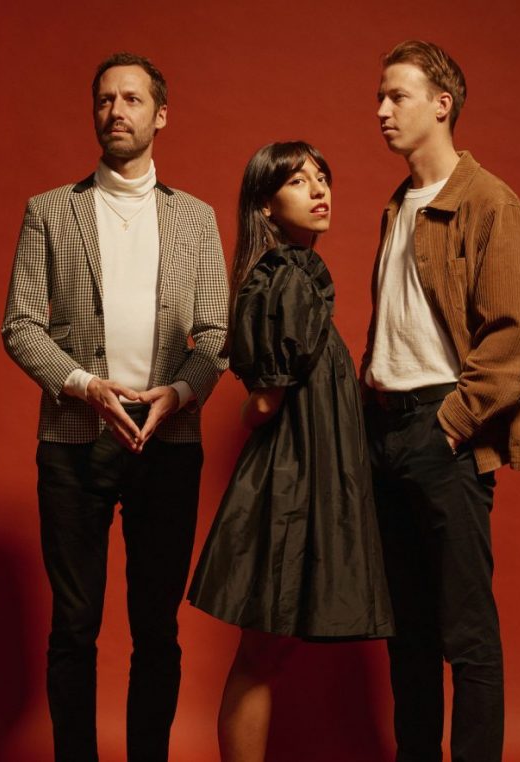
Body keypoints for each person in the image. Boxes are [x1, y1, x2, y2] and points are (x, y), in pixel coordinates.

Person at [1, 52, 227, 762]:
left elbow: (218, 332)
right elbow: (20, 326)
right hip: (74, 441)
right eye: (104, 99)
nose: (115, 111)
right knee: (74, 626)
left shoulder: (196, 218)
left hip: (170, 441)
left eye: (131, 99)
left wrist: (180, 392)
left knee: (157, 629)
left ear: (160, 115)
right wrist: (84, 387)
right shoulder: (50, 211)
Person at [363, 40, 520, 762]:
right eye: (379, 98)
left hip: (445, 429)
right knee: (405, 633)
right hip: (385, 430)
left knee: (465, 636)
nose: (381, 111)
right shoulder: (398, 205)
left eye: (397, 96)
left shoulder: (488, 203)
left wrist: (447, 427)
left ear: (442, 105)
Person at [188, 141, 393, 762]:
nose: (318, 188)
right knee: (260, 653)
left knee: (265, 652)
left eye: (322, 176)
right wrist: (259, 407)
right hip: (291, 487)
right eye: (298, 180)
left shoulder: (291, 273)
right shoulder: (288, 277)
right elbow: (265, 403)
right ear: (266, 206)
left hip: (300, 480)